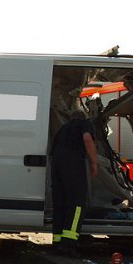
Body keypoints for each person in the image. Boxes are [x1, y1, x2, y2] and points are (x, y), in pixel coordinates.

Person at [49, 109, 98, 256]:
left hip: (57, 165)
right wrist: (94, 163)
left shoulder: (63, 129)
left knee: (60, 204)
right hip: (72, 165)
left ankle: (58, 242)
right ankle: (69, 245)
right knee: (76, 206)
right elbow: (87, 138)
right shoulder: (84, 124)